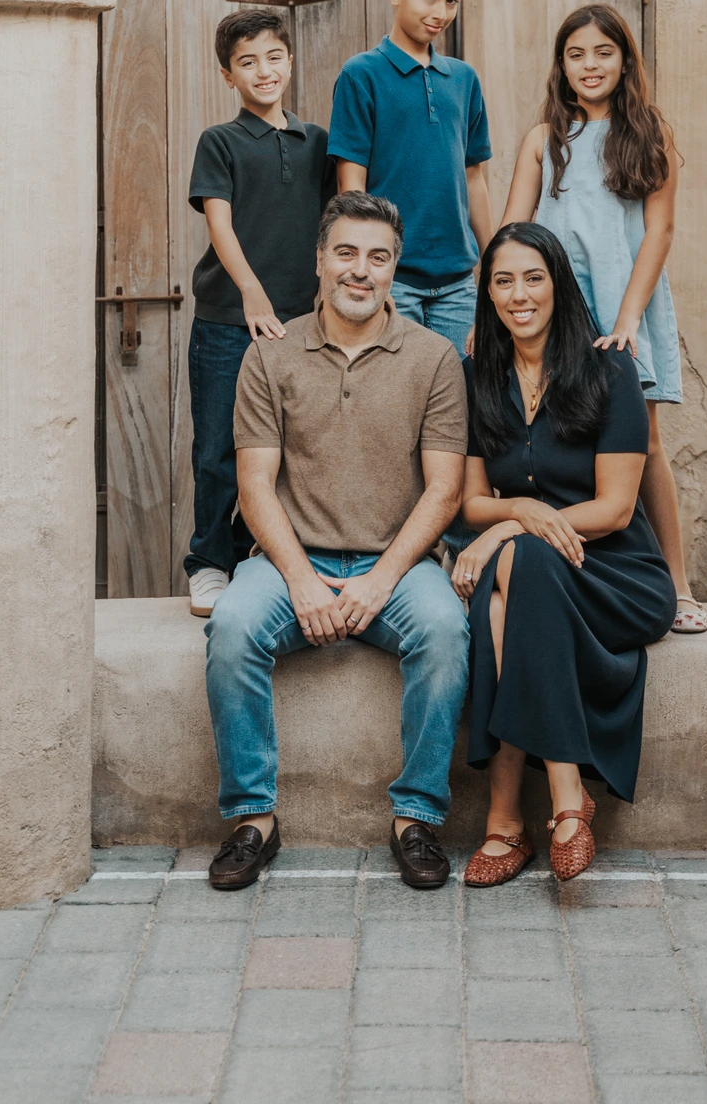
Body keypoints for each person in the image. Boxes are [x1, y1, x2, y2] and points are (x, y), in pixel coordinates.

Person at [203, 191, 471, 893]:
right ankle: (253, 819)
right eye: (346, 253)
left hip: (398, 565)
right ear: (319, 261)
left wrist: (380, 580)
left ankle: (415, 819)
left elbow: (443, 490)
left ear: (394, 268)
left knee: (445, 630)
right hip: (294, 556)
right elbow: (255, 487)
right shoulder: (272, 355)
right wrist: (299, 582)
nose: (361, 270)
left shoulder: (435, 358)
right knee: (232, 627)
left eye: (377, 257)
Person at [452, 222, 676, 886]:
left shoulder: (610, 369)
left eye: (532, 277)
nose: (518, 294)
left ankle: (511, 812)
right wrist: (516, 514)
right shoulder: (477, 378)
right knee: (516, 587)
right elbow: (470, 503)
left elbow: (611, 508)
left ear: (557, 284)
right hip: (537, 571)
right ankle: (562, 801)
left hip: (617, 574)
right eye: (502, 280)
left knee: (512, 579)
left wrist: (504, 531)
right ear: (487, 294)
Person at [500, 4, 707, 634]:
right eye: (576, 54)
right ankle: (577, 574)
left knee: (643, 443)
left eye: (603, 52)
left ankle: (677, 584)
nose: (590, 65)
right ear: (560, 65)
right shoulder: (544, 140)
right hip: (555, 312)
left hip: (625, 307)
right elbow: (517, 231)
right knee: (560, 443)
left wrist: (626, 322)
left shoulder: (650, 136)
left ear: (625, 60)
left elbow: (658, 232)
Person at [184, 9, 334, 619]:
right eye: (247, 62)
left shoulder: (318, 141)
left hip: (302, 322)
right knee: (219, 448)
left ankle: (271, 557)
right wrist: (250, 291)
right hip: (228, 320)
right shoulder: (219, 142)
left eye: (273, 57)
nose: (263, 71)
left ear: (290, 62)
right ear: (229, 75)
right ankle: (210, 563)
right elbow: (219, 222)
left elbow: (335, 222)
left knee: (294, 449)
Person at [328, 0, 493, 361]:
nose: (441, 12)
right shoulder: (361, 74)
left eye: (452, 0)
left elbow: (474, 178)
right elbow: (351, 188)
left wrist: (495, 267)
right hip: (391, 280)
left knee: (463, 407)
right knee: (394, 408)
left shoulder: (464, 80)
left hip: (459, 283)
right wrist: (365, 275)